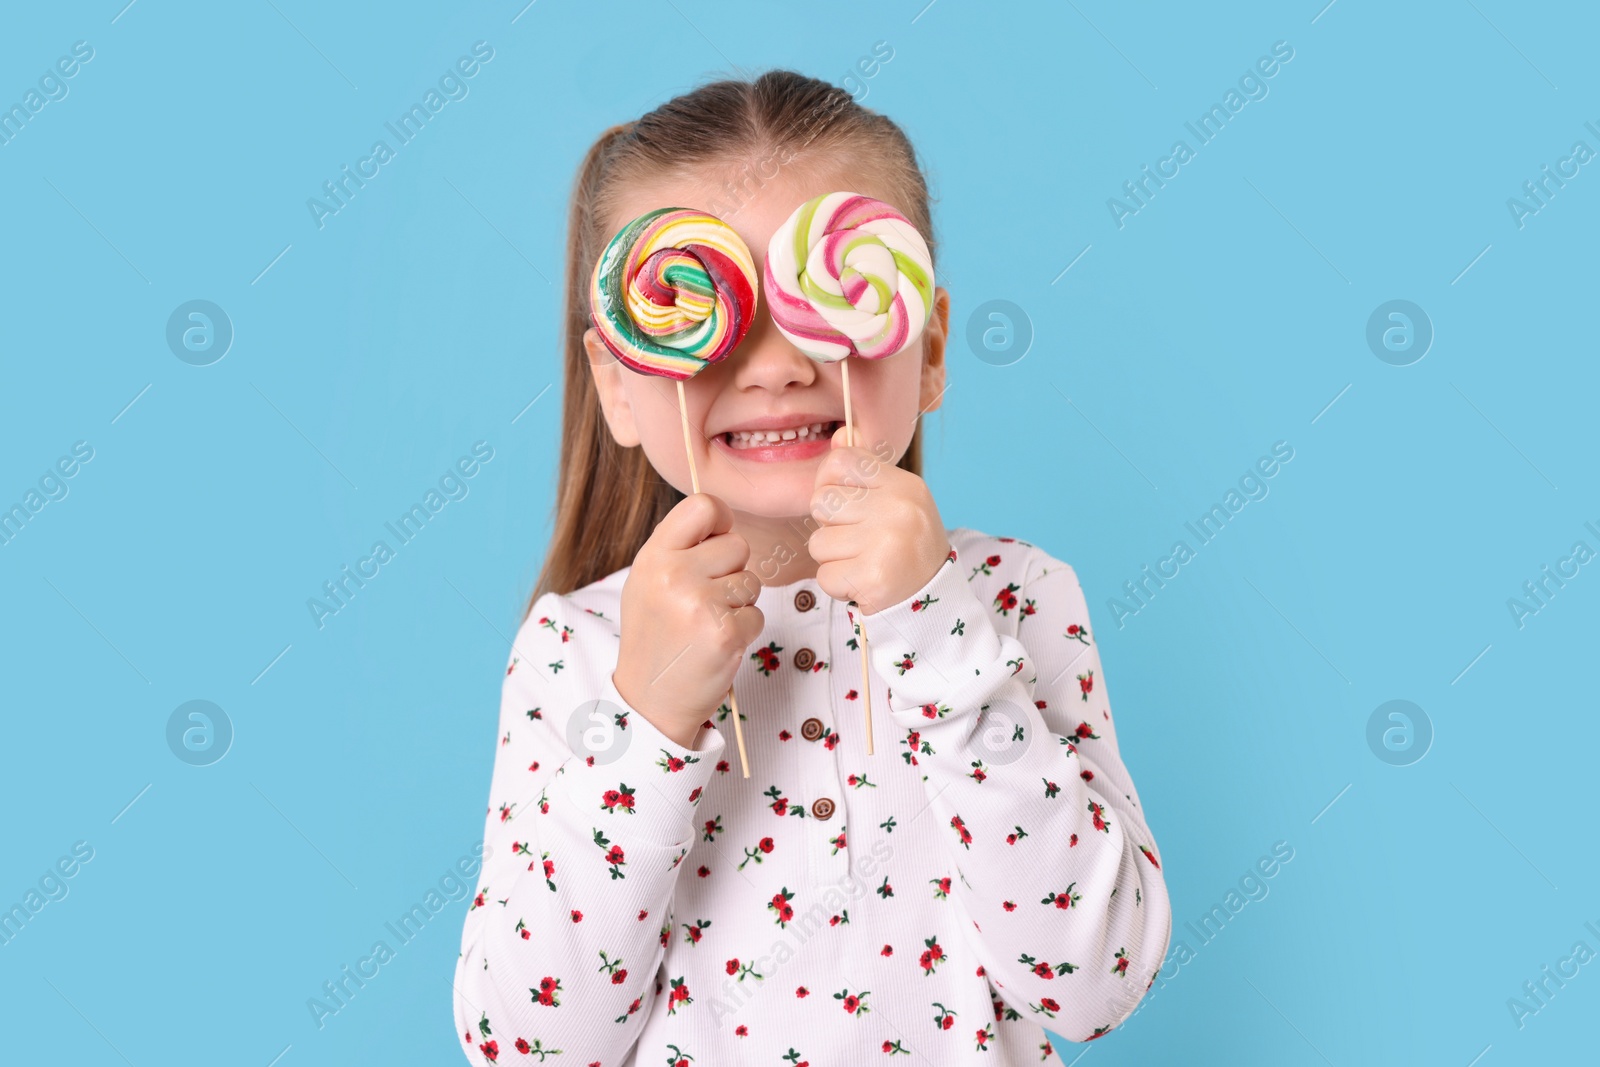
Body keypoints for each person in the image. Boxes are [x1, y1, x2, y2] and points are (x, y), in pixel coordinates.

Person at [452, 69, 1170, 1066]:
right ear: (618, 384)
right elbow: (530, 1045)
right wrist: (648, 722)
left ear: (925, 345)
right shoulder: (580, 649)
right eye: (704, 306)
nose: (776, 363)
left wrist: (938, 632)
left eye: (823, 304)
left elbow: (1095, 982)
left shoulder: (1014, 600)